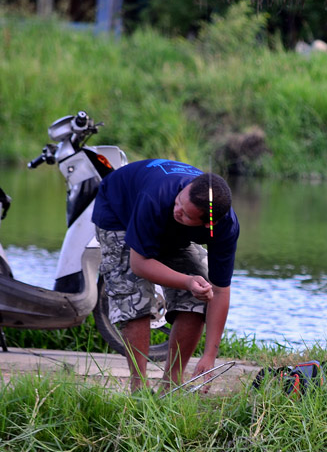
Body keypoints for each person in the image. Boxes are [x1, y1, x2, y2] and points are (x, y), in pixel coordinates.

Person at [92, 159, 239, 393]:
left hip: (170, 230)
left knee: (199, 298)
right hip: (118, 212)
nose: (177, 209)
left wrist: (210, 356)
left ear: (208, 225)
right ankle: (139, 387)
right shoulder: (159, 196)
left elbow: (220, 290)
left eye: (186, 214)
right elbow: (139, 264)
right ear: (185, 188)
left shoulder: (225, 227)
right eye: (180, 200)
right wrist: (187, 281)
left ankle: (171, 384)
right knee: (134, 297)